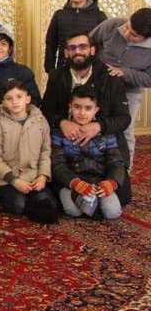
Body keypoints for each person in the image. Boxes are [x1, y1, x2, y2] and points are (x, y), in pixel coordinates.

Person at [42, 31, 132, 204]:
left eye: (82, 47)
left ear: (92, 50)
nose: (77, 51)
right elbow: (46, 110)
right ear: (66, 52)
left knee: (122, 197)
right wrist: (62, 122)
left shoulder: (110, 77)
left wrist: (98, 126)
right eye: (72, 48)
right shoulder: (56, 76)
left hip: (103, 149)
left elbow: (123, 118)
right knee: (56, 197)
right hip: (67, 150)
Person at [0, 79, 59, 223]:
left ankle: (36, 203)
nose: (15, 102)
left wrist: (43, 176)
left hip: (33, 177)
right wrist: (14, 180)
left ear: (27, 99)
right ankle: (14, 202)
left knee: (49, 202)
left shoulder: (40, 121)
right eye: (9, 98)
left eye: (19, 96)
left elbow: (45, 152)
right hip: (7, 180)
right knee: (18, 205)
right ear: (3, 102)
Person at [89, 7, 151, 170]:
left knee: (125, 131)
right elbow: (90, 41)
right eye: (127, 27)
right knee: (93, 124)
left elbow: (149, 79)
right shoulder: (112, 24)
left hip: (129, 92)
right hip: (98, 84)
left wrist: (124, 72)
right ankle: (93, 168)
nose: (127, 34)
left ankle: (125, 172)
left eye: (134, 35)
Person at [52, 85, 125, 220]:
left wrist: (111, 182)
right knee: (73, 211)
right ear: (70, 107)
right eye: (77, 107)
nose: (82, 113)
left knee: (112, 213)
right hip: (71, 182)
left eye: (88, 108)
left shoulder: (106, 134)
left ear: (96, 110)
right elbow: (57, 164)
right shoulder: (59, 133)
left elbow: (116, 162)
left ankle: (93, 205)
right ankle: (79, 200)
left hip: (99, 182)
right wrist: (74, 183)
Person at [45, 0, 107, 73]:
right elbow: (51, 43)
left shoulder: (99, 16)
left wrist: (101, 68)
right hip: (64, 67)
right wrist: (50, 69)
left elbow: (104, 44)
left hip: (91, 68)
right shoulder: (59, 15)